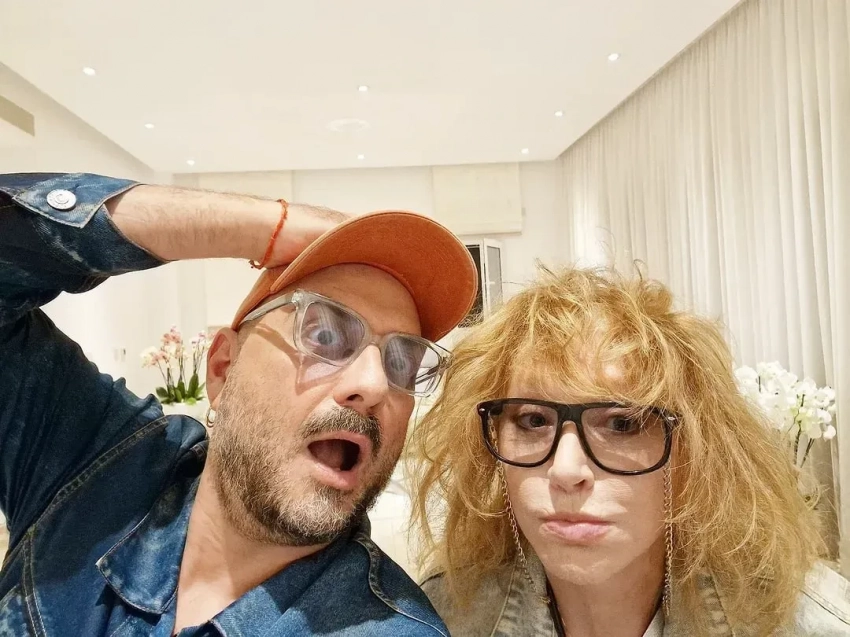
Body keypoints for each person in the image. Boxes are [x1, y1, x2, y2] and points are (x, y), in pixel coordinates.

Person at [0, 172, 476, 636]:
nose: (374, 385)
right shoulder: (91, 461)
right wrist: (269, 227)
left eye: (402, 364)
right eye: (325, 335)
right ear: (223, 369)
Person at [408, 266, 850, 636]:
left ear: (694, 452)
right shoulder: (441, 618)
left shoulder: (805, 624)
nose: (566, 470)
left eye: (623, 424)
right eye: (533, 420)